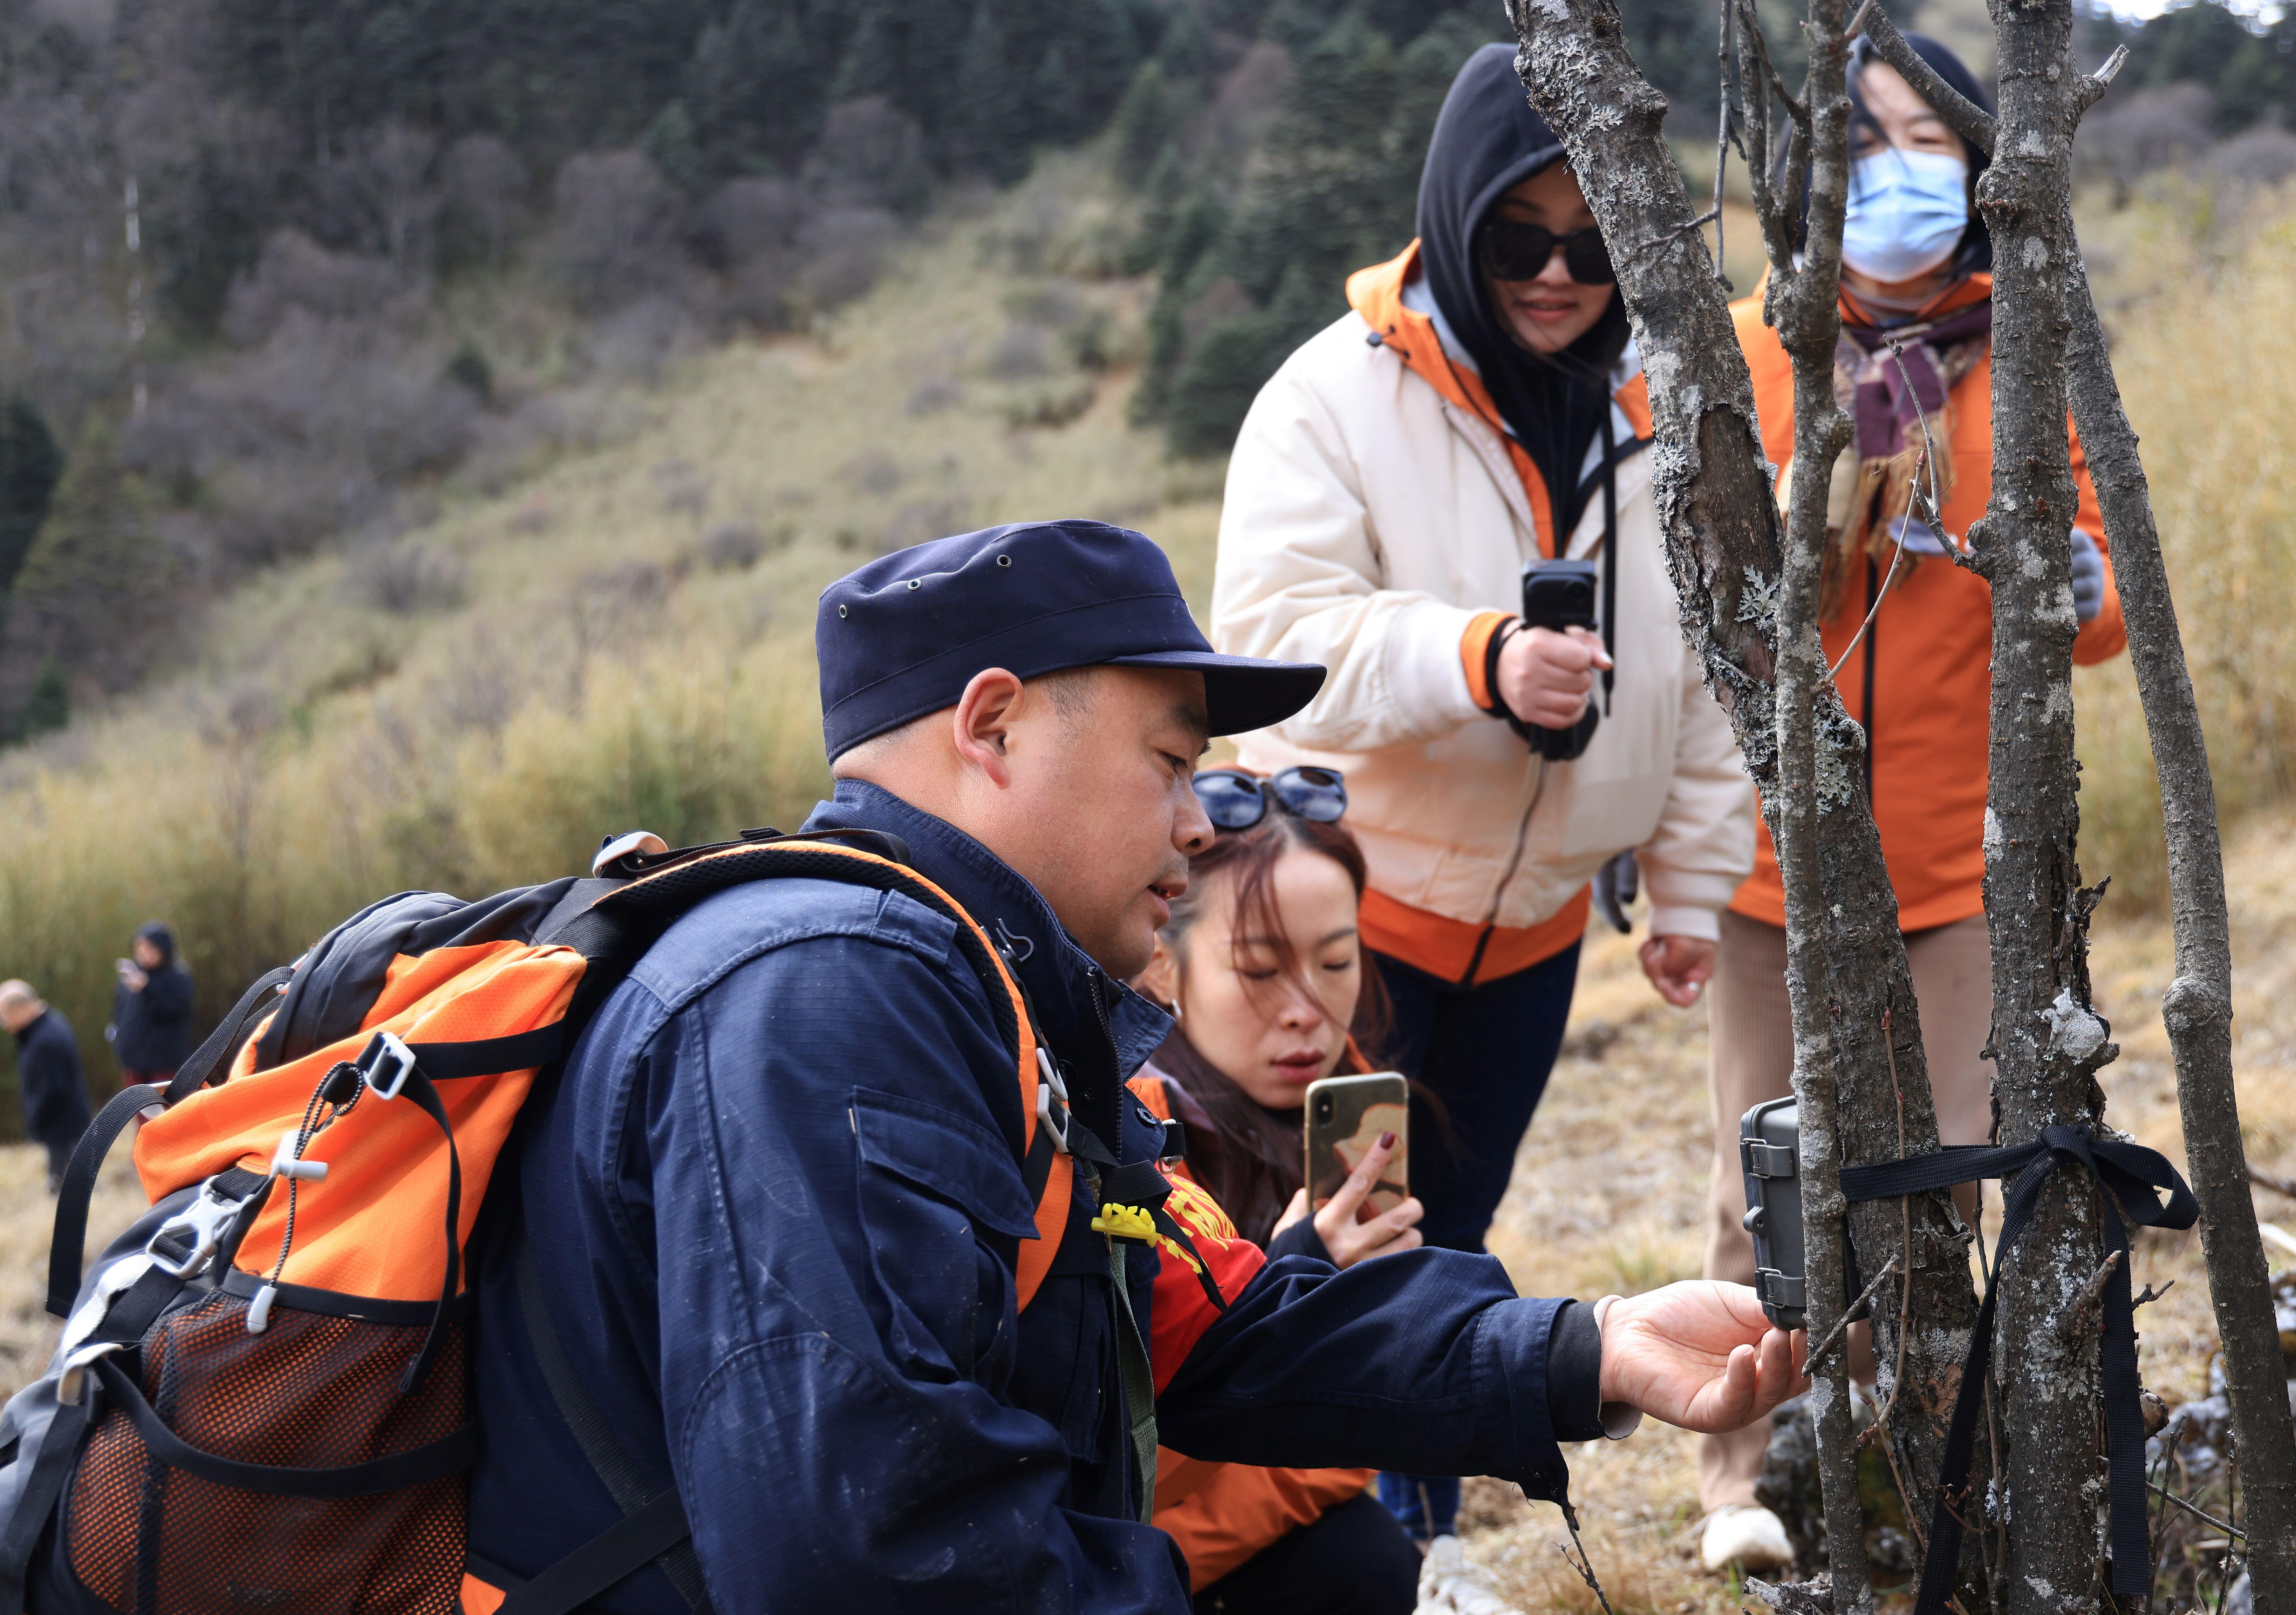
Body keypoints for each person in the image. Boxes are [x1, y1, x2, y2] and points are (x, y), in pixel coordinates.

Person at [455, 520, 1798, 1614]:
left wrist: (1587, 1346)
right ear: (991, 729)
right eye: (1170, 761)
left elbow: (1210, 1322)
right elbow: (870, 1557)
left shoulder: (982, 994)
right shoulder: (827, 1002)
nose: (1193, 825)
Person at [1211, 42, 1758, 1547]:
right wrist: (1477, 656)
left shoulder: (1659, 409)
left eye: (1594, 245)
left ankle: (1426, 1540)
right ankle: (1346, 1549)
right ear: (1456, 216)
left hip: (1530, 940)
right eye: (1521, 239)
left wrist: (1694, 883)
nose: (1558, 275)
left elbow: (1708, 674)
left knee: (1448, 1250)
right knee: (1339, 1256)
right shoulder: (1331, 398)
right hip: (1352, 928)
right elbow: (1265, 650)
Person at [1695, 34, 2130, 1573]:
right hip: (1770, 852)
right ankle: (1735, 1481)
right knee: (1770, 1166)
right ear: (1807, 169)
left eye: (1928, 141)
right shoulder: (1740, 349)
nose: (1900, 172)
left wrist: (2075, 586)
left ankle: (1910, 1465)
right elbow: (1700, 606)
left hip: (1958, 848)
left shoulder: (2027, 349)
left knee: (1946, 1163)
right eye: (1863, 141)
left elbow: (2094, 604)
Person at [1130, 771, 1424, 1615]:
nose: (1307, 1010)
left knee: (1364, 1558)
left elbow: (1347, 1440)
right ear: (1162, 962)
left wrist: (1167, 1566)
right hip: (1076, 1544)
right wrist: (1288, 1282)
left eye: (1336, 960)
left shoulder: (1354, 1125)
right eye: (1259, 968)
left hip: (1172, 1553)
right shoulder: (1118, 1131)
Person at [1, 980, 88, 1189]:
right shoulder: (50, 1022)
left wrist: (35, 1119)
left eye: (4, 1015)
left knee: (67, 1183)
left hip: (62, 1124)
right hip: (67, 1119)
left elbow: (53, 1090)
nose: (4, 1024)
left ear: (21, 1009)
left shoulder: (44, 1041)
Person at [105, 921, 191, 1084]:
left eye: (149, 948)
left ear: (163, 949)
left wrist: (146, 989)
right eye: (139, 948)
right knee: (136, 1108)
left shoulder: (178, 977)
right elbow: (119, 1012)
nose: (143, 953)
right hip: (133, 1064)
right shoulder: (132, 976)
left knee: (166, 1108)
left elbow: (174, 1011)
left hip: (164, 1065)